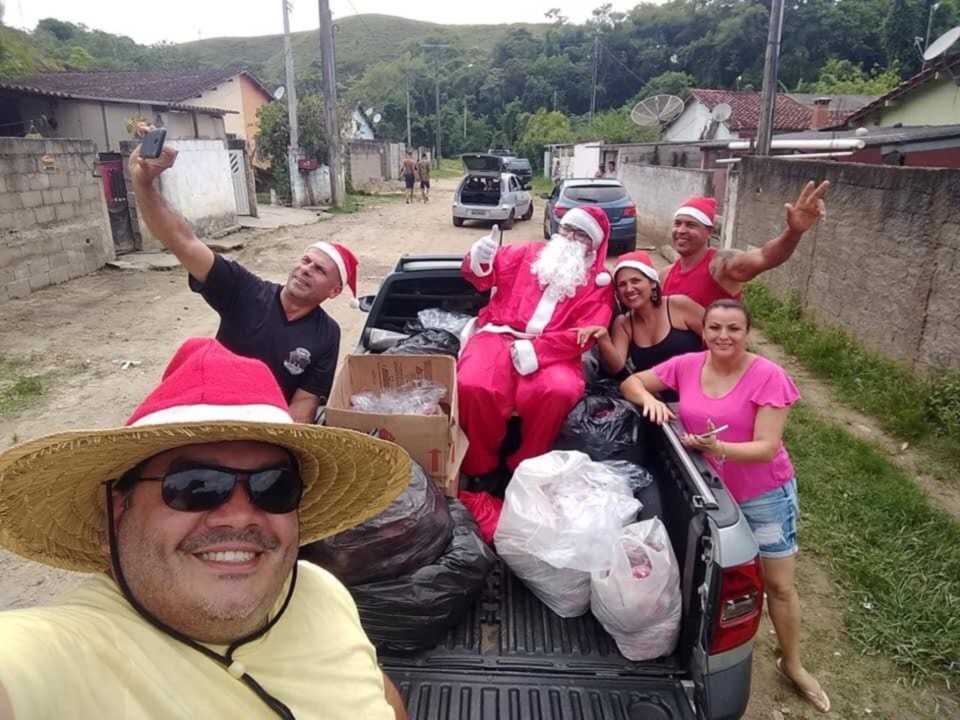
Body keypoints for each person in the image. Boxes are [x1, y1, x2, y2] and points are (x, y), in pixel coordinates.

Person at [0, 337, 411, 719]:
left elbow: (375, 692)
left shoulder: (319, 588)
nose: (240, 516)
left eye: (274, 486)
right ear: (118, 514)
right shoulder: (61, 654)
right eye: (195, 485)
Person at [620, 299, 830, 714]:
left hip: (762, 494)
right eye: (715, 327)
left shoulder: (768, 376)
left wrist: (717, 448)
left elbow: (766, 447)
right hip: (712, 493)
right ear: (704, 331)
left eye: (733, 328)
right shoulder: (687, 365)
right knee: (715, 576)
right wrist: (651, 400)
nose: (723, 336)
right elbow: (632, 383)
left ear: (747, 333)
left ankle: (792, 663)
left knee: (778, 585)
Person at [129, 143, 359, 423]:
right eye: (305, 260)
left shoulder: (327, 334)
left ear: (335, 291)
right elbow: (183, 241)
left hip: (267, 428)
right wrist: (143, 184)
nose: (306, 269)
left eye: (319, 269)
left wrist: (276, 443)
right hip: (210, 415)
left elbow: (303, 404)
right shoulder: (244, 291)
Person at [458, 206, 614, 476]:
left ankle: (527, 468)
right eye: (567, 228)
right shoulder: (528, 252)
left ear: (594, 244)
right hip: (498, 334)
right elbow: (484, 278)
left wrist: (536, 350)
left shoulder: (598, 282)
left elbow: (589, 330)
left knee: (559, 391)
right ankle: (479, 467)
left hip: (555, 350)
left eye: (581, 234)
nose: (570, 237)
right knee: (473, 384)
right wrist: (479, 258)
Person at [662, 181, 829, 308]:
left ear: (709, 231)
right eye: (677, 223)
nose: (681, 230)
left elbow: (764, 257)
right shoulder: (665, 274)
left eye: (691, 225)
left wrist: (793, 233)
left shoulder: (720, 265)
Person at [577, 251, 703, 385]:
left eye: (635, 281)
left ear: (653, 283)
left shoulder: (679, 305)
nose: (629, 289)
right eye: (622, 284)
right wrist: (603, 338)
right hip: (654, 396)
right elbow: (615, 367)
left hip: (700, 387)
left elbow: (715, 336)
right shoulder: (623, 324)